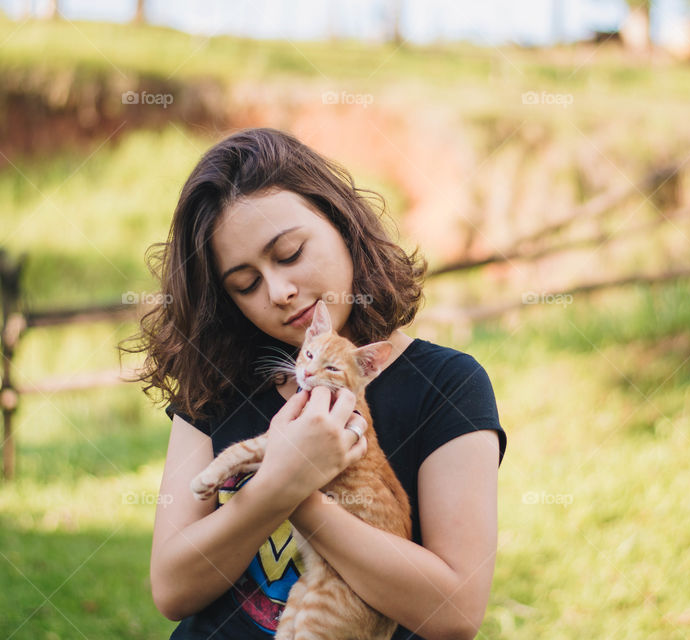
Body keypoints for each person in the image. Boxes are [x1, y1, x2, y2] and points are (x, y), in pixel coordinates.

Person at [126, 127, 506, 640]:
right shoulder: (215, 389)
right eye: (246, 283)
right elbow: (173, 589)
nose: (280, 291)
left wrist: (301, 494)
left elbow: (454, 613)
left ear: (342, 223)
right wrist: (278, 480)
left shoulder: (447, 386)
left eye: (289, 254)